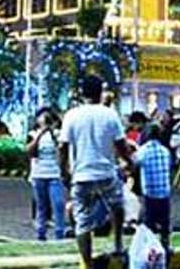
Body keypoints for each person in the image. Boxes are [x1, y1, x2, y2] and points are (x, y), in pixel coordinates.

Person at [59, 75, 134, 267]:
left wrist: (64, 172)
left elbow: (63, 147)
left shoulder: (71, 115)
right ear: (100, 92)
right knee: (117, 207)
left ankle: (87, 262)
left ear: (81, 93)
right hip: (106, 173)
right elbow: (120, 144)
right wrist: (129, 162)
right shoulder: (109, 114)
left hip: (81, 175)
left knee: (82, 220)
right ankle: (117, 244)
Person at [27, 108, 66, 241]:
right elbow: (30, 152)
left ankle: (60, 233)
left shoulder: (58, 134)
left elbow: (61, 151)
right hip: (38, 174)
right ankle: (41, 233)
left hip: (55, 174)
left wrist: (53, 135)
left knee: (59, 203)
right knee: (41, 205)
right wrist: (40, 134)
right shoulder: (32, 134)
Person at [133, 124, 172, 249]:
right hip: (165, 191)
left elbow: (134, 165)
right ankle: (165, 244)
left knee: (148, 224)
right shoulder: (165, 151)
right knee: (164, 222)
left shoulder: (143, 151)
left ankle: (149, 247)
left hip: (150, 193)